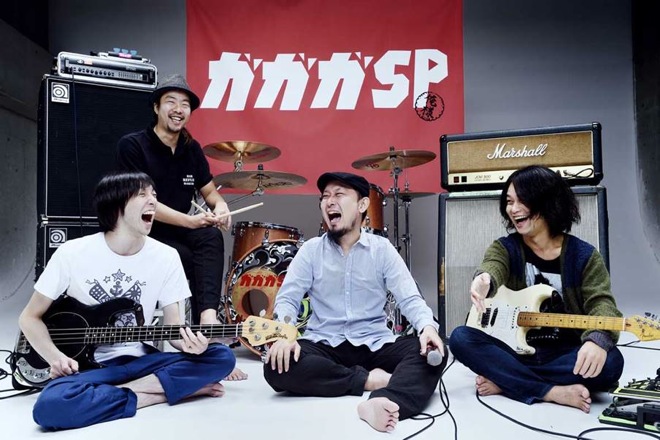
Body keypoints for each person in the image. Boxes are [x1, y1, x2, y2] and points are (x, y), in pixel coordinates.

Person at [18, 172, 236, 430]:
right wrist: (55, 357)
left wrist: (191, 346)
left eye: (154, 194)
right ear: (116, 204)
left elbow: (174, 328)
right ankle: (157, 393)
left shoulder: (167, 257)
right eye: (142, 194)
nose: (153, 201)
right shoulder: (72, 253)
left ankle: (121, 393)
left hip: (141, 362)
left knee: (221, 357)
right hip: (90, 367)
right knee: (49, 407)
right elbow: (29, 317)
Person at [263, 171, 446, 433]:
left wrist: (427, 328)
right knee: (276, 365)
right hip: (324, 344)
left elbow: (410, 298)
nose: (329, 202)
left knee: (434, 352)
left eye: (339, 195)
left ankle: (383, 401)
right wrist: (284, 333)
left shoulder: (382, 249)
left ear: (362, 205)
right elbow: (288, 300)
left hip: (375, 343)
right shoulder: (311, 251)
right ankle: (370, 381)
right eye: (325, 196)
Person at [449, 165, 624, 413]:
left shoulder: (584, 256)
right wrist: (484, 279)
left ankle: (508, 380)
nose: (513, 209)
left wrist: (597, 340)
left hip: (565, 351)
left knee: (612, 362)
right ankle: (552, 392)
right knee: (460, 338)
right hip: (515, 350)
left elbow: (602, 303)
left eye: (522, 200)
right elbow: (493, 266)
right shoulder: (506, 247)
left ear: (548, 203)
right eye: (509, 201)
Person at [116, 74, 246, 381]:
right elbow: (144, 203)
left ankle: (208, 322)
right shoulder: (133, 145)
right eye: (171, 102)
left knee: (210, 236)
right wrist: (189, 220)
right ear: (156, 107)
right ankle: (199, 346)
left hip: (178, 231)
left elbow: (210, 192)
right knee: (185, 257)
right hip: (142, 232)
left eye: (185, 104)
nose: (178, 109)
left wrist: (220, 207)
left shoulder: (191, 148)